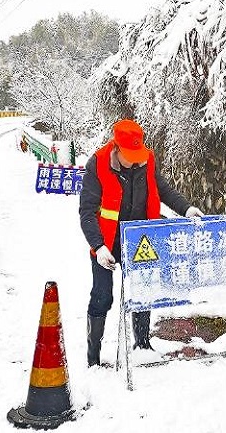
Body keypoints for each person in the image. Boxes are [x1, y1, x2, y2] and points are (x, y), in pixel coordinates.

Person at [79, 119, 203, 366]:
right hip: (106, 242)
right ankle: (93, 357)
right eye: (129, 156)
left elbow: (164, 190)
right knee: (102, 296)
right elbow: (87, 212)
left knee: (143, 293)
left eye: (137, 155)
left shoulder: (147, 161)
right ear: (116, 148)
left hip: (140, 238)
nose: (134, 161)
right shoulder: (98, 164)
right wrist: (98, 246)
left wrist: (187, 209)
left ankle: (143, 345)